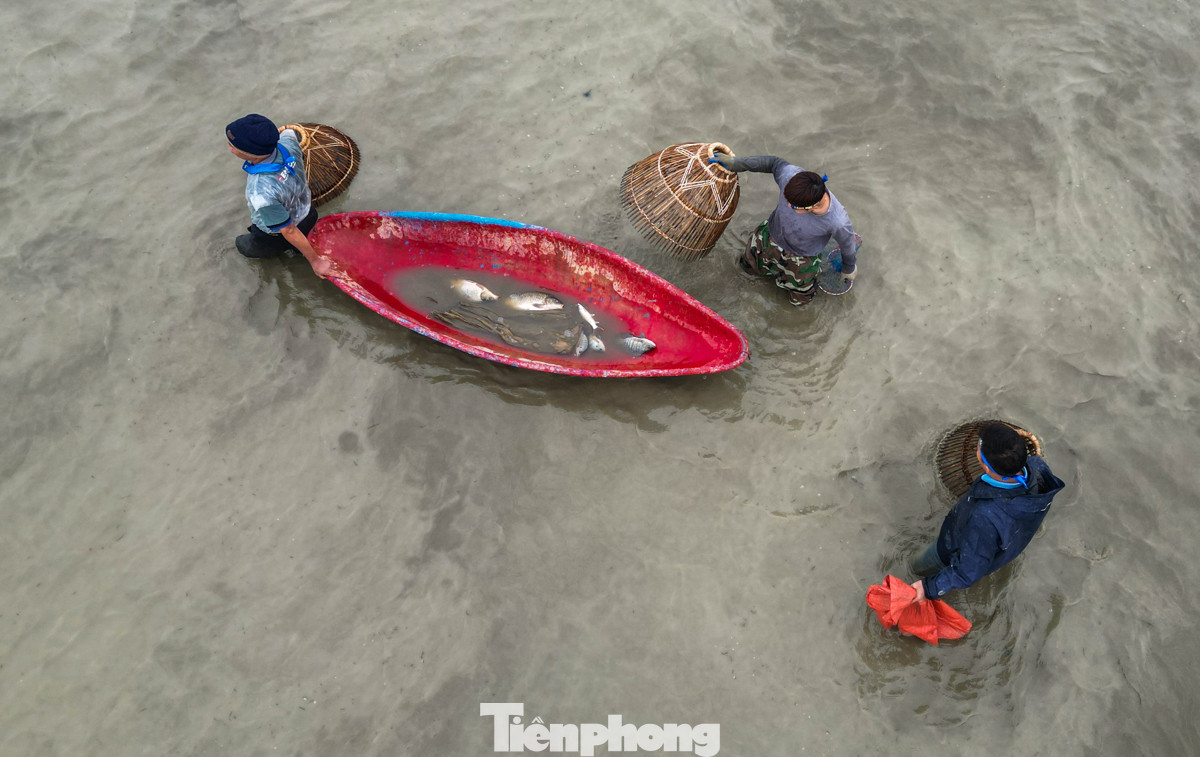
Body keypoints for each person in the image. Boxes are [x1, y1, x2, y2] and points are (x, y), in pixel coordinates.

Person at [910, 423, 1066, 602]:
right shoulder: (1037, 466)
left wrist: (928, 588)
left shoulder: (984, 517)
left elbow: (967, 571)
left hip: (951, 549)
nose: (978, 444)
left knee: (916, 566)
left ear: (986, 466)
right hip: (1006, 544)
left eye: (979, 444)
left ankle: (919, 573)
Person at [709, 152, 858, 307]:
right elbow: (773, 163)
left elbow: (848, 244)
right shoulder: (790, 176)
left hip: (801, 259)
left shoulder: (838, 221)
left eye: (793, 206)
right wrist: (736, 163)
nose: (787, 205)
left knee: (800, 299)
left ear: (812, 207)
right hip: (767, 237)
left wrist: (848, 268)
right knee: (746, 269)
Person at [225, 114, 335, 278]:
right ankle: (301, 248)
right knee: (301, 242)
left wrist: (316, 262)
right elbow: (288, 131)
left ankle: (303, 253)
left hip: (276, 235)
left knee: (243, 246)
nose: (229, 148)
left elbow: (289, 230)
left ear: (251, 155)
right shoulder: (288, 141)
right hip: (308, 212)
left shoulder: (260, 192)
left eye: (233, 146)